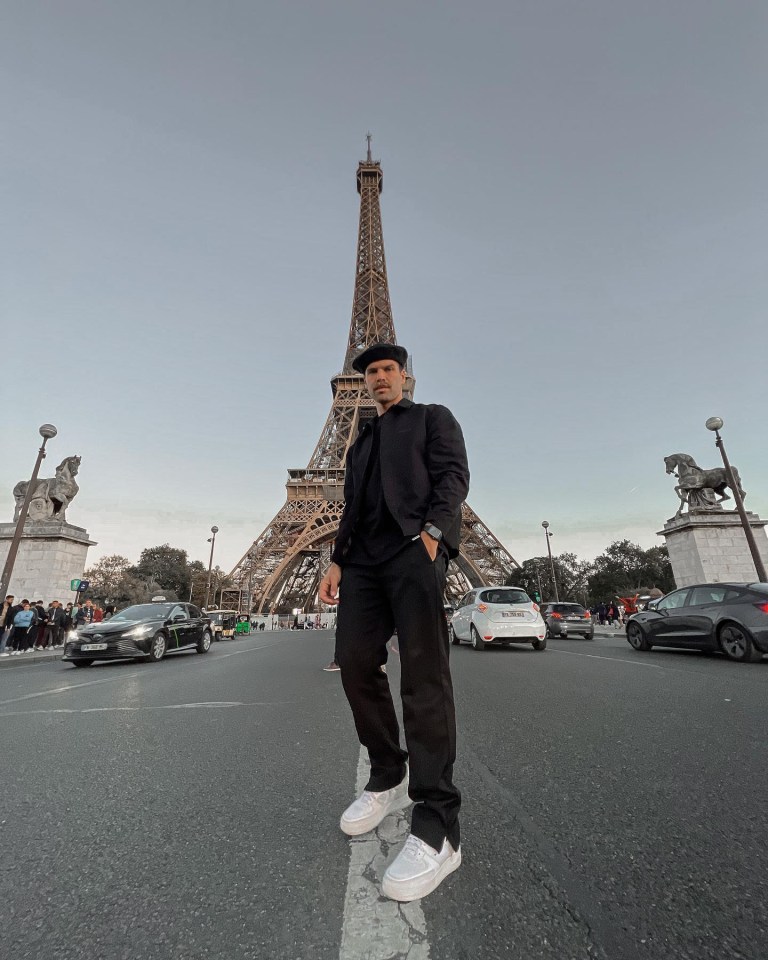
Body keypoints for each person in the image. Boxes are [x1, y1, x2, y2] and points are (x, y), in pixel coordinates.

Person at [319, 342, 468, 903]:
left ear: (403, 376)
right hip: (362, 563)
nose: (379, 378)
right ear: (360, 384)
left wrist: (432, 534)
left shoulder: (433, 418)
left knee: (425, 679)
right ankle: (387, 772)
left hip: (413, 552)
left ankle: (438, 822)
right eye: (370, 372)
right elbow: (351, 509)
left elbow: (454, 476)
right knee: (355, 663)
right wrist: (336, 559)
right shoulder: (358, 444)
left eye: (387, 370)